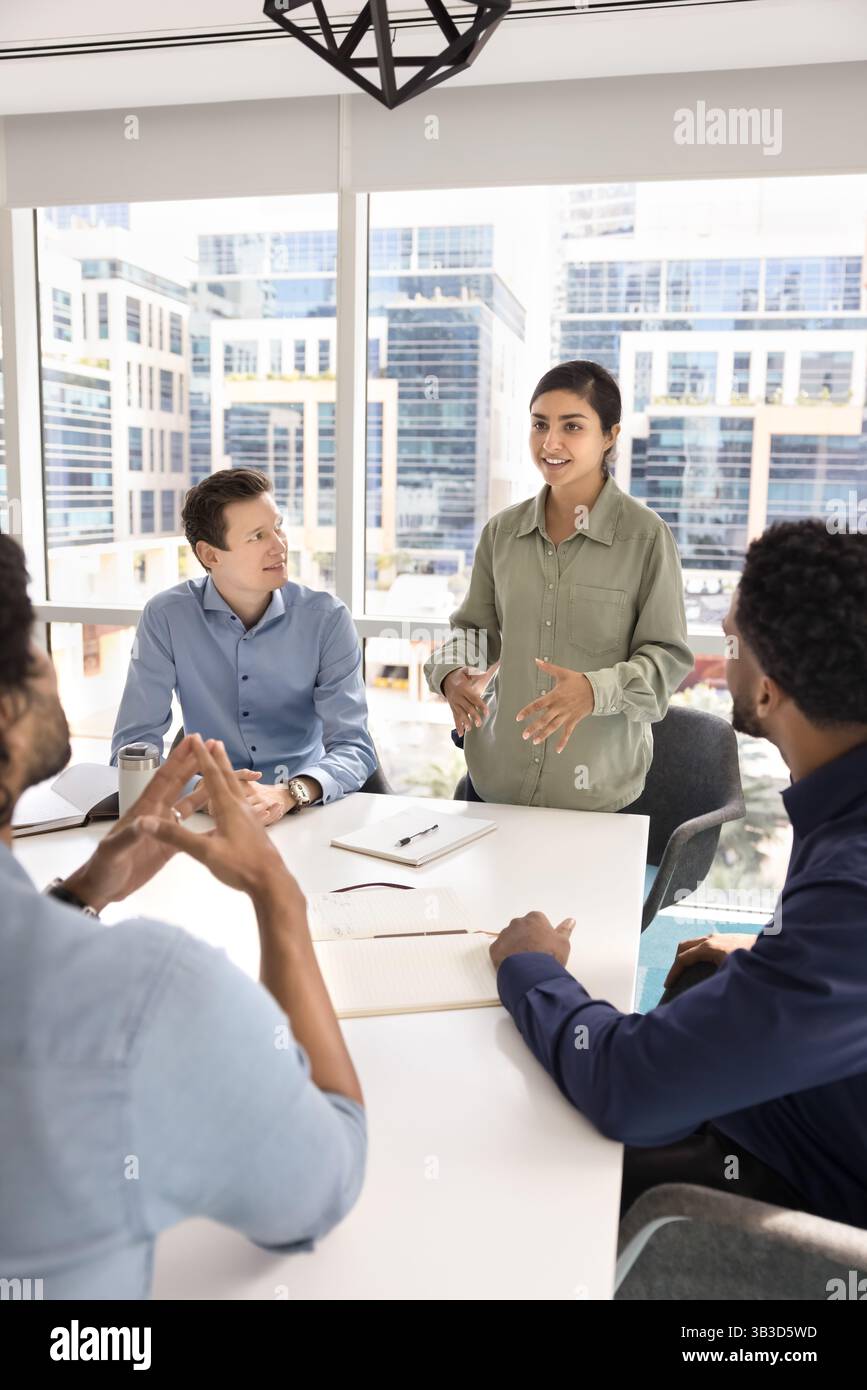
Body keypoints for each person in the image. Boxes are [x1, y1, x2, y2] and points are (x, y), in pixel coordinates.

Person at [0, 535, 366, 1297]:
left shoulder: (321, 616)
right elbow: (325, 1177)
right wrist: (276, 896)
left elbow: (352, 745)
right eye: (29, 640)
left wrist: (75, 899)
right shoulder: (146, 994)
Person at [490, 518, 867, 1226]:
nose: (723, 659)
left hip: (815, 1193)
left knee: (525, 1163)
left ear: (766, 693)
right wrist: (769, 963)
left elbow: (626, 1089)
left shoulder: (850, 889)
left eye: (732, 643)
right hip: (817, 1094)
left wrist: (531, 968)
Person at [424, 360, 693, 812]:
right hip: (496, 783)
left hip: (596, 798)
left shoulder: (645, 538)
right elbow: (475, 632)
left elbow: (667, 658)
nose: (550, 443)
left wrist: (594, 689)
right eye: (539, 425)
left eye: (572, 426)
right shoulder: (501, 533)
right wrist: (451, 672)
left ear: (609, 436)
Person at [111, 467, 376, 825]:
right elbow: (132, 750)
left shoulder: (326, 619)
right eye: (257, 536)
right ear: (210, 555)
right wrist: (204, 793)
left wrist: (288, 793)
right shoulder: (166, 616)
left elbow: (354, 747)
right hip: (205, 816)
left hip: (306, 812)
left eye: (278, 527)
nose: (279, 545)